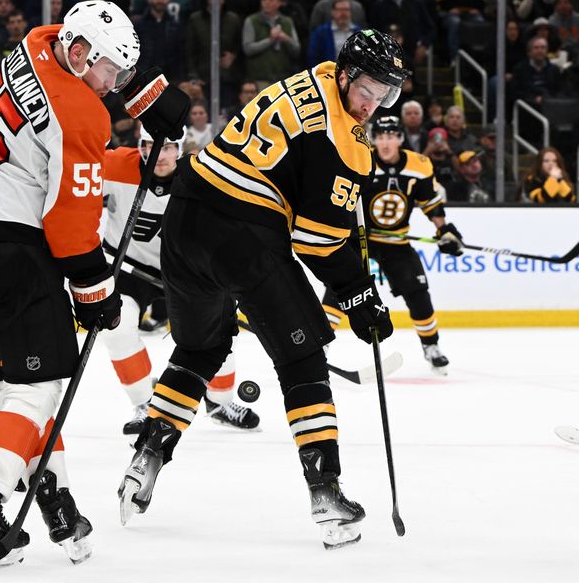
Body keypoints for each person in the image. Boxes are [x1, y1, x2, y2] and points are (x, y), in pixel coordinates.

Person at [117, 29, 406, 549]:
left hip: (185, 213)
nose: (373, 103)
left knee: (200, 348)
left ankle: (148, 456)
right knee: (302, 360)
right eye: (367, 88)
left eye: (386, 94)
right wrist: (361, 294)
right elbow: (318, 242)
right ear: (345, 74)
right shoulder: (343, 143)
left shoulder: (312, 79)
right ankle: (326, 492)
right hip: (241, 233)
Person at [0, 0, 188, 566]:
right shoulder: (82, 110)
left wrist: (136, 153)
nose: (115, 85)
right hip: (9, 252)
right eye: (111, 73)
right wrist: (97, 292)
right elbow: (71, 229)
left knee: (19, 391)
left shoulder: (36, 42)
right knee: (38, 386)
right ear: (78, 53)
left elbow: (58, 149)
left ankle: (56, 497)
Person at [101, 126, 261, 439]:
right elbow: (74, 185)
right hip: (128, 268)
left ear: (179, 147)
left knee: (216, 335)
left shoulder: (200, 173)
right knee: (118, 328)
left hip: (182, 270)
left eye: (166, 147)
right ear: (141, 146)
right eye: (150, 145)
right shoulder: (116, 164)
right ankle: (144, 404)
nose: (159, 155)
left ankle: (220, 404)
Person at [321, 116, 461, 373]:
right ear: (374, 139)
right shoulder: (359, 157)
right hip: (359, 239)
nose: (385, 142)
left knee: (417, 291)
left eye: (391, 136)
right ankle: (321, 344)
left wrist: (443, 230)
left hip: (396, 240)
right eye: (381, 137)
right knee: (339, 287)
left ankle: (431, 346)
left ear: (400, 138)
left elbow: (430, 203)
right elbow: (341, 196)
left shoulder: (419, 166)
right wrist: (350, 221)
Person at [242, 0, 301, 89]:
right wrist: (270, 40)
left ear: (278, 3)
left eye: (271, 0)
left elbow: (296, 49)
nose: (267, 3)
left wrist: (285, 38)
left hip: (283, 79)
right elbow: (248, 49)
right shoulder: (251, 21)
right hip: (260, 79)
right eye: (264, 0)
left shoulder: (287, 22)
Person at [306, 0, 360, 67]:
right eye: (340, 10)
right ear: (333, 12)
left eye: (346, 9)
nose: (343, 13)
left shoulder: (358, 32)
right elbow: (313, 57)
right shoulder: (321, 33)